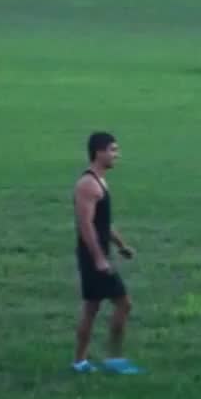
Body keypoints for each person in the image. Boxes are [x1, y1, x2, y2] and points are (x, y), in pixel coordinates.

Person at [71, 131, 141, 374]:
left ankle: (80, 362)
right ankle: (114, 360)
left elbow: (103, 223)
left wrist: (121, 245)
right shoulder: (88, 185)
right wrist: (100, 258)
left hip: (98, 256)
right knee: (124, 304)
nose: (116, 155)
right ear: (98, 152)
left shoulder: (99, 182)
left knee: (91, 309)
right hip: (94, 258)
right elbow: (86, 225)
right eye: (112, 150)